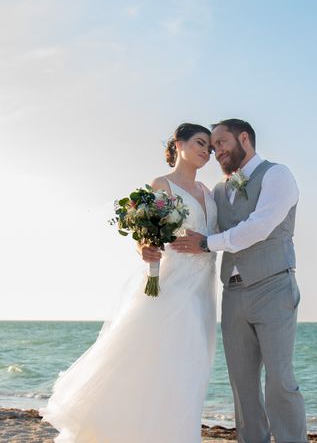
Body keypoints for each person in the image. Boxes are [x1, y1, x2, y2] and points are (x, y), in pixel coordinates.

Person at [40, 123, 219, 443]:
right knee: (163, 366)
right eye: (199, 143)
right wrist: (144, 248)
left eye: (210, 147)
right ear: (178, 144)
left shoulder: (209, 192)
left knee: (190, 372)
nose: (206, 151)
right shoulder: (160, 185)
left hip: (203, 289)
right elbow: (144, 235)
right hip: (172, 285)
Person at [170, 118, 308, 443]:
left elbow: (259, 226)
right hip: (232, 295)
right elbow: (207, 229)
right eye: (213, 146)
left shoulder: (278, 175)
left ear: (244, 138)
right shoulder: (219, 190)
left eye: (221, 143)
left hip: (273, 287)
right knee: (242, 384)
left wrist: (205, 242)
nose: (216, 151)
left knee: (280, 380)